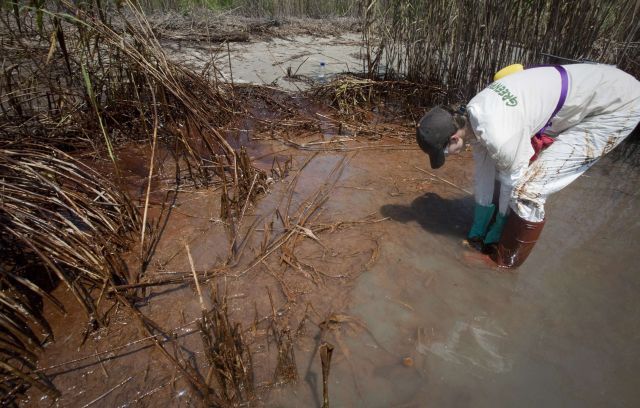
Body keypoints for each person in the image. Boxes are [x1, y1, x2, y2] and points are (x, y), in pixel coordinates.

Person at [416, 63, 640, 268]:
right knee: (507, 174)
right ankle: (492, 232)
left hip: (617, 105)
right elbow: (484, 170)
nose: (448, 156)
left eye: (444, 151)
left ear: (454, 138)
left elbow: (512, 182)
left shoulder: (498, 135)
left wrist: (497, 228)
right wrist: (478, 226)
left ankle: (503, 262)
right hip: (595, 86)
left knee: (529, 189)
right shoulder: (474, 113)